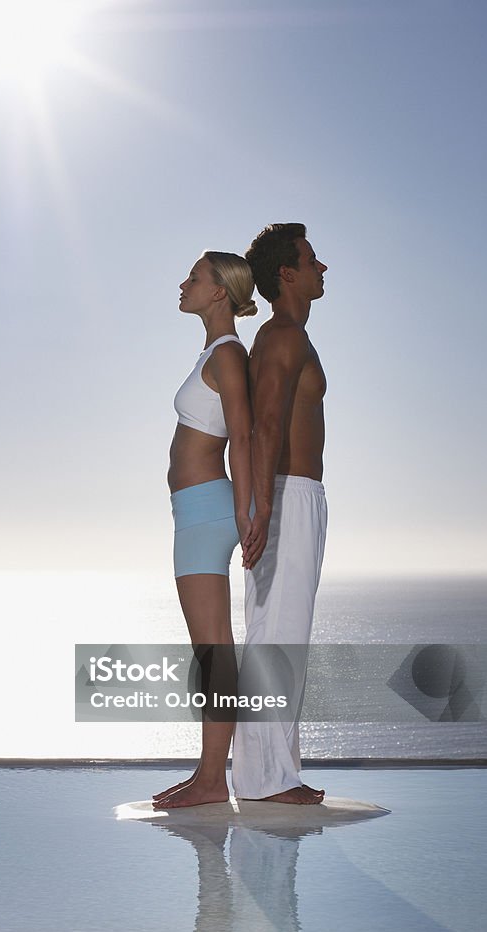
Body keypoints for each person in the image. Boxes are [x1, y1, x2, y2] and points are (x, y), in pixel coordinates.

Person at [153, 250, 258, 809]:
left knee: (213, 653)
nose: (184, 283)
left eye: (194, 277)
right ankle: (212, 774)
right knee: (212, 653)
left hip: (208, 513)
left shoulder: (229, 354)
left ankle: (212, 779)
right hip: (196, 513)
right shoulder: (215, 353)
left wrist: (247, 517)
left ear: (220, 291)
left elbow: (241, 437)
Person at [231, 223, 328, 805]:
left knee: (282, 633)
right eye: (313, 260)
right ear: (286, 274)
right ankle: (266, 781)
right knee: (278, 636)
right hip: (287, 495)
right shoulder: (283, 336)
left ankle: (272, 773)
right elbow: (266, 422)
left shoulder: (288, 336)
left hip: (296, 495)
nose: (323, 269)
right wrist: (265, 507)